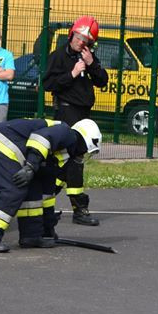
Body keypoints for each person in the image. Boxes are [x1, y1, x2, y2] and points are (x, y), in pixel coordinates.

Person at [0, 118, 102, 252]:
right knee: (13, 190)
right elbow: (40, 138)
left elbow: (47, 194)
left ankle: (31, 236)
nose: (83, 155)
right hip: (2, 141)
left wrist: (48, 229)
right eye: (87, 151)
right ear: (87, 141)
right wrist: (30, 167)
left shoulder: (59, 153)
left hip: (12, 145)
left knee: (34, 189)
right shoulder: (67, 133)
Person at [41, 15, 108, 225]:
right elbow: (48, 84)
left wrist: (91, 64)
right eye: (80, 38)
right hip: (66, 113)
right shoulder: (58, 56)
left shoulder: (88, 56)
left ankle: (48, 202)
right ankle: (78, 209)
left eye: (86, 41)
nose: (82, 43)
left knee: (73, 161)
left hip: (83, 115)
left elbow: (102, 81)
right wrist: (72, 74)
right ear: (72, 34)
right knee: (71, 160)